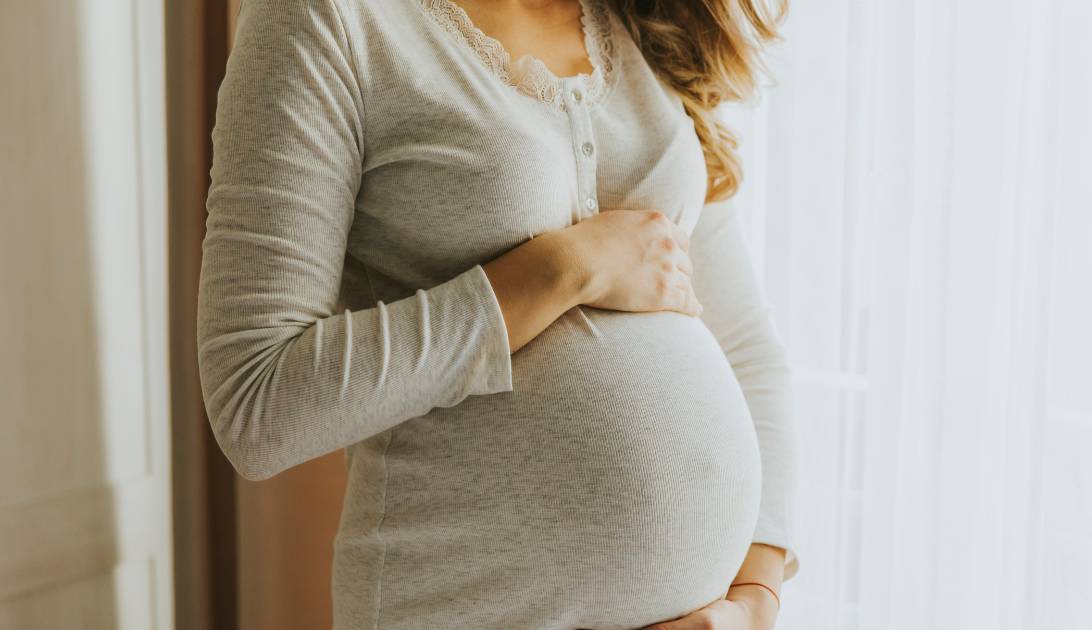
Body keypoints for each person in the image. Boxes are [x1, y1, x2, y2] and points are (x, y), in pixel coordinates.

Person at [196, 0, 798, 627]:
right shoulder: (328, 20)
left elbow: (747, 347)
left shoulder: (649, 22)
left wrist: (756, 598)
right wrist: (562, 270)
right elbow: (256, 404)